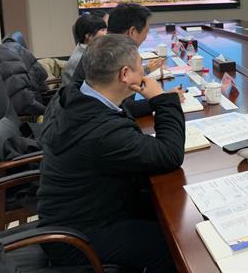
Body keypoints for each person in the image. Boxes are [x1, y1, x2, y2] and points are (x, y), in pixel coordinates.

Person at [38, 34, 184, 272]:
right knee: (175, 243)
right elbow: (170, 154)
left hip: (80, 213)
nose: (144, 72)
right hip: (79, 238)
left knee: (166, 213)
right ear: (125, 74)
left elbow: (121, 107)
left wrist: (152, 102)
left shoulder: (76, 94)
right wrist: (162, 100)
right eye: (140, 66)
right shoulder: (102, 132)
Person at [62, 14, 107, 85]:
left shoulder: (82, 48)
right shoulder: (84, 57)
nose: (106, 34)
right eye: (102, 30)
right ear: (88, 35)